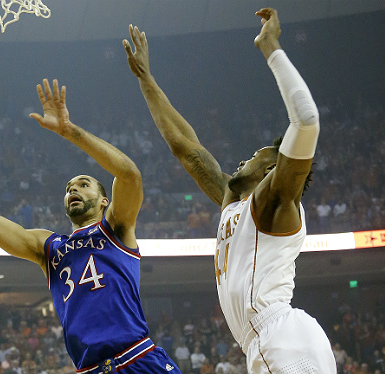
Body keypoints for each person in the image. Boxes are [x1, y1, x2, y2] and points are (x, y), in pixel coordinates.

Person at [0, 78, 181, 374]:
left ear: (103, 201)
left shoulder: (116, 229)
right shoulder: (49, 248)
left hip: (139, 358)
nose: (73, 190)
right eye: (69, 187)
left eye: (83, 185)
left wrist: (69, 131)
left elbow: (130, 176)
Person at [124, 8, 335, 374]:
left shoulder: (275, 203)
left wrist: (271, 48)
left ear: (272, 171)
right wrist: (145, 78)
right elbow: (185, 147)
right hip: (263, 341)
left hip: (281, 337)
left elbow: (307, 121)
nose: (245, 159)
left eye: (256, 156)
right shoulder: (234, 201)